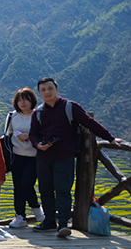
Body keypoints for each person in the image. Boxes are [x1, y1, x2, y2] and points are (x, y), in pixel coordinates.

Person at [30, 77, 124, 236]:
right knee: (45, 190)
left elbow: (90, 123)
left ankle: (63, 224)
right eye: (43, 90)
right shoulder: (38, 112)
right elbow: (33, 134)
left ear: (57, 89)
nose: (47, 92)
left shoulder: (70, 107)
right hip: (43, 157)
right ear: (39, 93)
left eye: (50, 88)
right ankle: (49, 221)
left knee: (63, 190)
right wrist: (38, 144)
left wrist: (110, 138)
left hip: (64, 156)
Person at [6, 88, 45, 228]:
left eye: (26, 99)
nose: (23, 102)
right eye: (19, 100)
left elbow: (44, 134)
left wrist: (29, 136)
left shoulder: (38, 115)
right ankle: (20, 216)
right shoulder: (12, 116)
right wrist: (19, 134)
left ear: (32, 101)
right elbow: (9, 133)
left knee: (26, 184)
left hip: (34, 156)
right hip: (17, 156)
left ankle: (37, 210)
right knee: (18, 187)